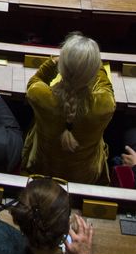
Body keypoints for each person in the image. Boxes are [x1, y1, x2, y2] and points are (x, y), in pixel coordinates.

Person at [22, 33, 115, 184]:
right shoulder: (104, 105)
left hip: (42, 167)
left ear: (61, 68)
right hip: (86, 175)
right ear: (92, 73)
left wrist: (53, 62)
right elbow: (105, 85)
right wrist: (89, 63)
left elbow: (35, 81)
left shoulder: (40, 96)